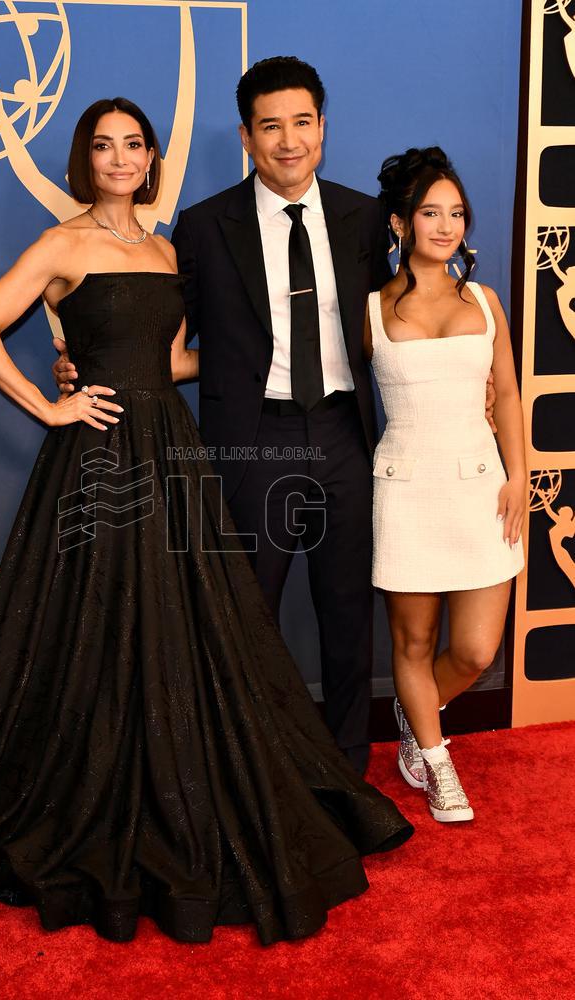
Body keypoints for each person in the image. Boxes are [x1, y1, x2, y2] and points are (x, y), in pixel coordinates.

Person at [0, 97, 412, 947]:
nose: (119, 158)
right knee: (97, 623)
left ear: (150, 159)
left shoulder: (167, 248)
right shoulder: (62, 244)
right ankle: (92, 787)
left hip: (170, 449)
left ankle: (175, 780)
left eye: (133, 144)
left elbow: (171, 360)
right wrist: (51, 406)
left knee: (184, 627)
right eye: (103, 146)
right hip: (99, 456)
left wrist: (259, 353)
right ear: (86, 159)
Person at [57, 57, 398, 774]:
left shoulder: (363, 218)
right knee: (247, 617)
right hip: (253, 440)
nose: (288, 141)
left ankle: (348, 769)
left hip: (345, 433)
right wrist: (90, 366)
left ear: (322, 128)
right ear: (246, 137)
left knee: (348, 616)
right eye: (270, 126)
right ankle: (258, 771)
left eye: (301, 123)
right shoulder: (206, 226)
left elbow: (395, 322)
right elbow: (163, 339)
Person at [365, 147, 525, 823]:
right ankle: (436, 764)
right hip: (405, 490)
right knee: (412, 643)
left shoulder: (485, 302)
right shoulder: (370, 309)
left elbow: (507, 395)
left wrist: (519, 476)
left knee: (476, 650)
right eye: (431, 213)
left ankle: (417, 715)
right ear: (401, 222)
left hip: (480, 487)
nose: (446, 226)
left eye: (456, 213)